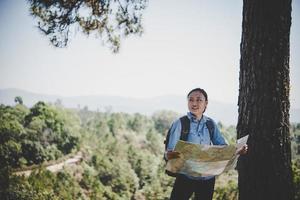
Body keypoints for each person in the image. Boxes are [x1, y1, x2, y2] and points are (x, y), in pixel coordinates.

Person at [165, 88, 248, 200]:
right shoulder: (180, 123)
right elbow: (169, 154)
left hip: (207, 179)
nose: (194, 103)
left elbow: (223, 148)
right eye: (191, 100)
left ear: (206, 103)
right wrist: (183, 156)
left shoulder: (210, 124)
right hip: (185, 177)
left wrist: (238, 150)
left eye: (199, 100)